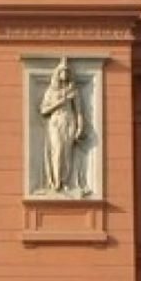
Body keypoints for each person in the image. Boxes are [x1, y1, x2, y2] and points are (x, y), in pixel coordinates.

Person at [39, 57, 86, 194]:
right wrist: (60, 102)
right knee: (58, 150)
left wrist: (80, 127)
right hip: (55, 122)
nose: (65, 74)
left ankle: (65, 182)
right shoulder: (50, 92)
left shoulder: (73, 91)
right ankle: (56, 181)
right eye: (62, 71)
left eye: (67, 71)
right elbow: (43, 110)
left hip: (69, 121)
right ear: (58, 74)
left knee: (67, 153)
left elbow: (79, 111)